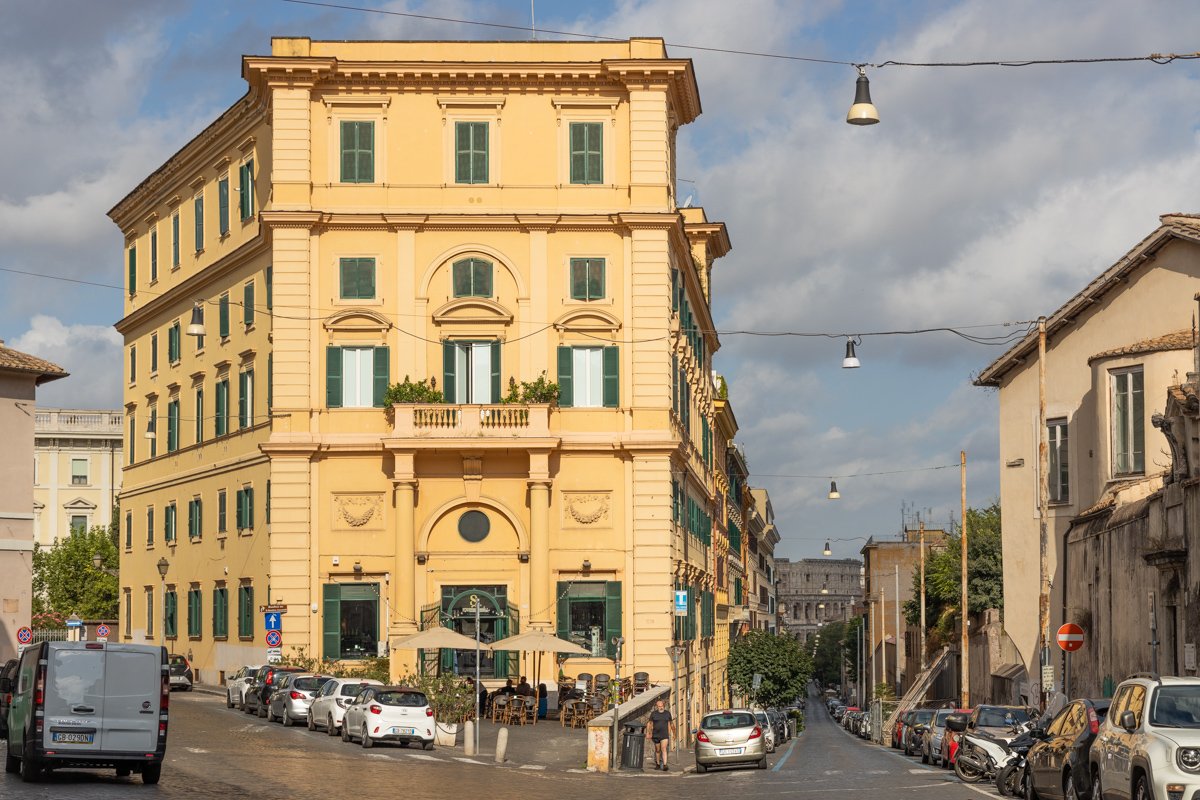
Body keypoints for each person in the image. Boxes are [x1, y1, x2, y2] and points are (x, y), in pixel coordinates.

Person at [646, 698, 675, 771]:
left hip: (664, 735)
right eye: (659, 706)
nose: (661, 707)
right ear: (656, 707)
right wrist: (648, 733)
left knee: (664, 748)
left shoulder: (667, 713)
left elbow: (671, 724)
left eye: (662, 706)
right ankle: (658, 764)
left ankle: (665, 765)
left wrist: (674, 733)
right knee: (658, 750)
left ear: (664, 706)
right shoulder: (654, 714)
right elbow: (649, 723)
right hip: (656, 734)